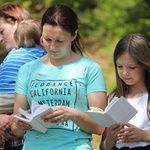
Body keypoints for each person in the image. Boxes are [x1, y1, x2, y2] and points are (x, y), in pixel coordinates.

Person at [11, 4, 107, 150]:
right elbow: (15, 129)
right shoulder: (27, 70)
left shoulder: (89, 69)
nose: (52, 47)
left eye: (60, 41)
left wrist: (73, 114)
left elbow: (101, 127)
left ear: (74, 35)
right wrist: (20, 124)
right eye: (47, 39)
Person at [0, 3, 46, 150]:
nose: (0, 39)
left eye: (1, 31)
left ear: (17, 23)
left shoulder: (48, 58)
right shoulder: (8, 62)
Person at [100, 33, 150, 150]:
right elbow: (103, 147)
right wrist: (111, 139)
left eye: (131, 67)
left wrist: (143, 135)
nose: (124, 73)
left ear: (145, 65)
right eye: (119, 66)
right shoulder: (113, 98)